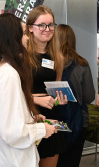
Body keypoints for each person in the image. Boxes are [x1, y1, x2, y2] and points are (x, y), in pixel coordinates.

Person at [0, 13, 57, 167]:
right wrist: (41, 129)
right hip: (15, 159)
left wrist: (33, 119)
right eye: (24, 33)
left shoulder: (6, 70)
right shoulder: (9, 75)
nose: (27, 38)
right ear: (13, 38)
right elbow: (12, 133)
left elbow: (9, 117)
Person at [26, 5, 68, 167]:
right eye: (42, 25)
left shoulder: (58, 57)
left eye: (51, 25)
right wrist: (38, 100)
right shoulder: (21, 56)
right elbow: (12, 95)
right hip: (28, 117)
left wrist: (59, 100)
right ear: (30, 28)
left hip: (52, 118)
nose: (47, 29)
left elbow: (54, 90)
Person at [56, 24, 95, 167]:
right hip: (78, 121)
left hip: (55, 120)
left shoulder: (49, 64)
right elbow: (89, 97)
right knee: (72, 161)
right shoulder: (82, 64)